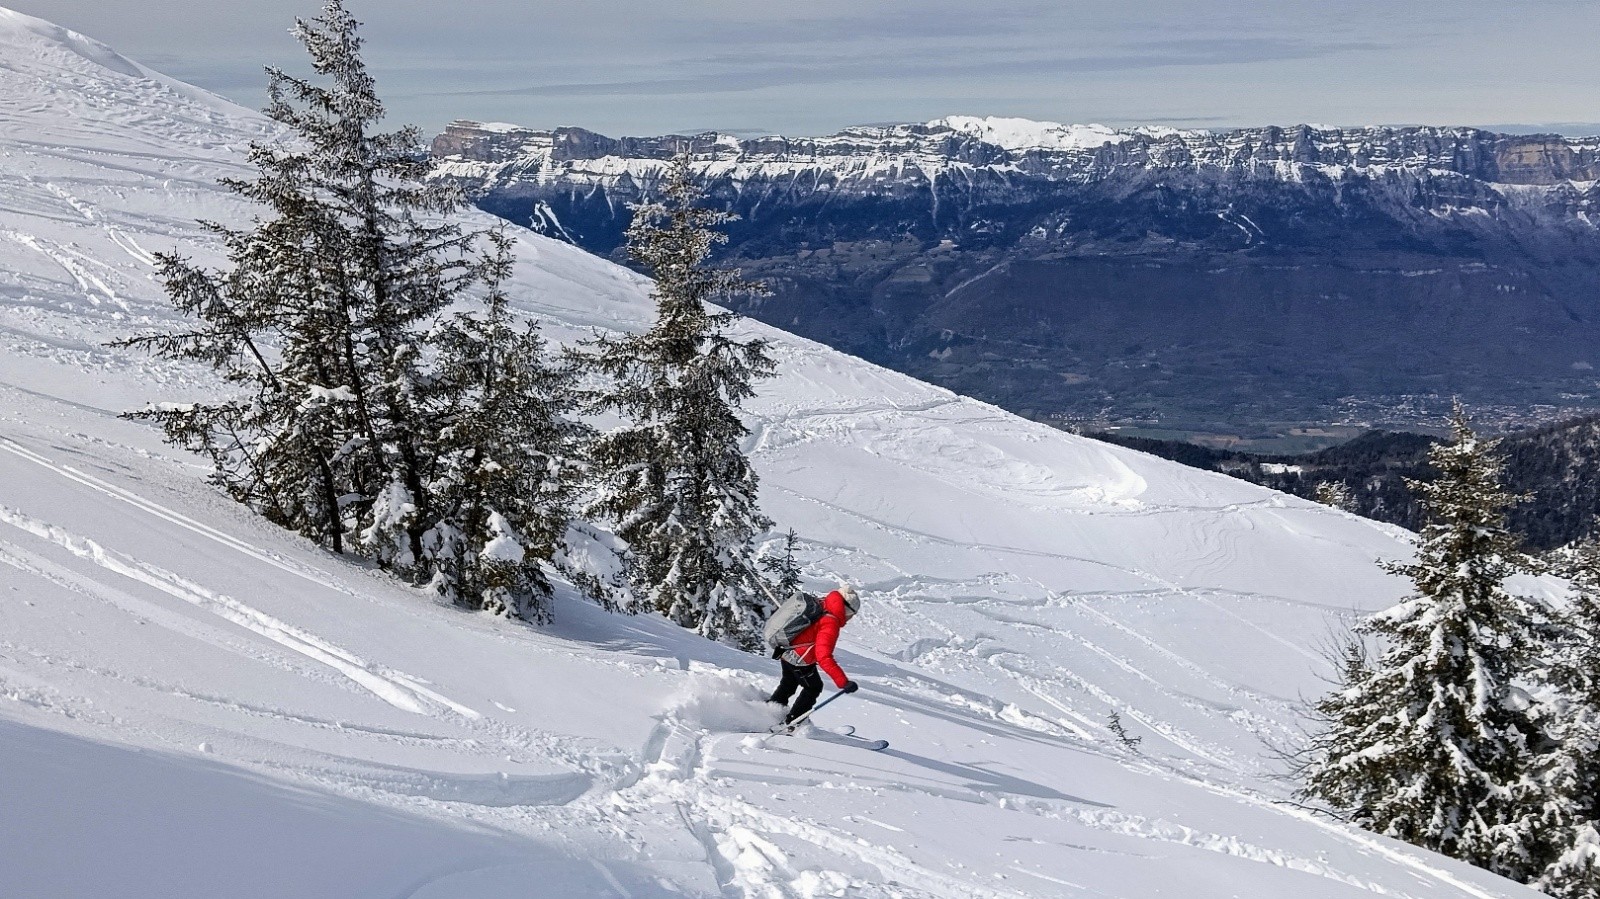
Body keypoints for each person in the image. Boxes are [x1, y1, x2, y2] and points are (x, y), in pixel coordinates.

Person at [769, 583, 861, 727]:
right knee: (814, 687)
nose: (850, 619)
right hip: (799, 660)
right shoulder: (830, 621)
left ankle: (771, 710)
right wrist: (843, 682)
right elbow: (824, 656)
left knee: (789, 683)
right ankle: (792, 723)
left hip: (786, 650)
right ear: (846, 609)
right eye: (852, 614)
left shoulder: (822, 603)